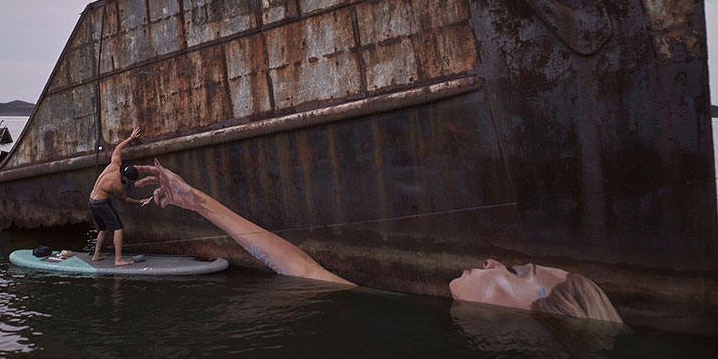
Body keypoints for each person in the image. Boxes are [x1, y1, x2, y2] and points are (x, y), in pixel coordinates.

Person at [135, 159, 622, 322]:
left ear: (540, 321)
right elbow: (304, 272)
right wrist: (197, 202)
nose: (496, 261)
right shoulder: (419, 318)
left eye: (516, 273)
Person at [89, 127, 151, 265]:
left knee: (103, 228)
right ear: (126, 178)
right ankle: (118, 260)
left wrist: (131, 137)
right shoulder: (117, 184)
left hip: (92, 200)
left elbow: (118, 148)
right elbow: (124, 199)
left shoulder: (115, 164)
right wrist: (139, 201)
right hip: (100, 203)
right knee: (118, 228)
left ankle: (96, 255)